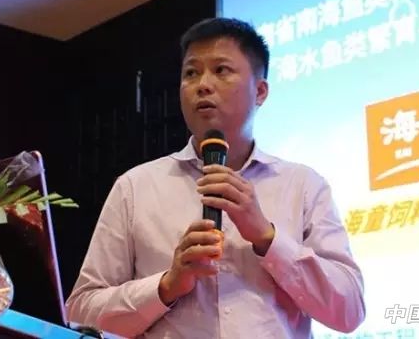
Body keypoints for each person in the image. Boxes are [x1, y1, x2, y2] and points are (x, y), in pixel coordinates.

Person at [65, 18, 365, 338]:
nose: (202, 85)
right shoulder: (136, 187)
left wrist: (267, 237)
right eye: (191, 73)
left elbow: (349, 311)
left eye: (221, 70)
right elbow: (80, 312)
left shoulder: (303, 186)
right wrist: (167, 286)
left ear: (260, 91)